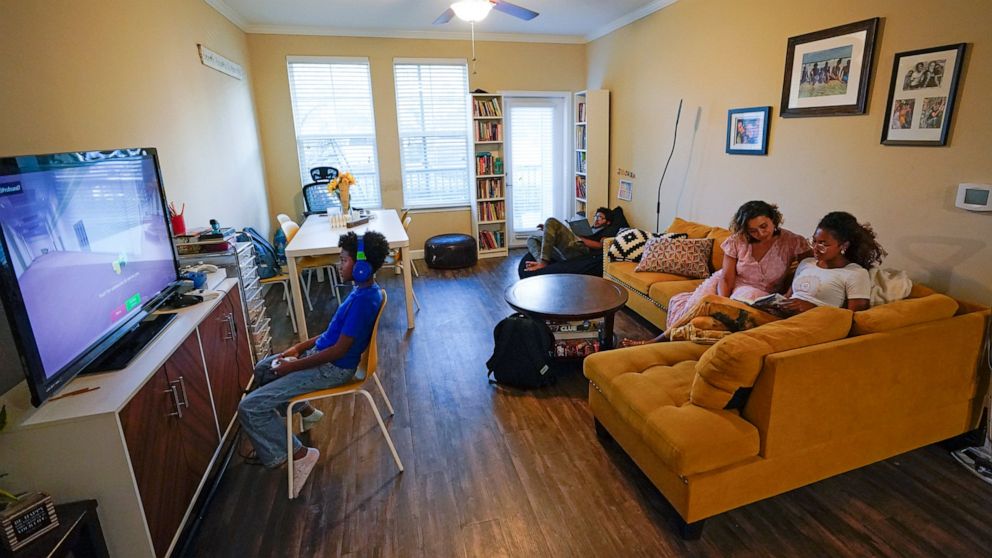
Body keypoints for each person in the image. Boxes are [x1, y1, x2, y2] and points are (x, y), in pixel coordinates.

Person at [238, 230, 389, 497]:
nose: (337, 264)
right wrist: (298, 348)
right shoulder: (361, 292)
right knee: (264, 368)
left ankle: (299, 454)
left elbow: (337, 350)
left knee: (250, 407)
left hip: (333, 369)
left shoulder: (363, 301)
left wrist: (292, 366)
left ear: (362, 268)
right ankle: (308, 412)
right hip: (323, 360)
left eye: (343, 260)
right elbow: (332, 334)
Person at [630, 211, 885, 344]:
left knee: (709, 303)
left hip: (808, 325)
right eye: (814, 241)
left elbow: (854, 321)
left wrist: (810, 308)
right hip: (776, 316)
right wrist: (778, 302)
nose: (816, 248)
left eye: (824, 244)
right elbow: (787, 296)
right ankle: (675, 354)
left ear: (844, 245)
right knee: (699, 324)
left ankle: (654, 343)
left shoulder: (855, 274)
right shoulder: (806, 262)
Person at [622, 201, 810, 346]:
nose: (760, 233)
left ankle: (662, 342)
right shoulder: (738, 240)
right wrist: (722, 302)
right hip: (726, 283)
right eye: (753, 230)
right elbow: (727, 277)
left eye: (764, 226)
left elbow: (808, 267)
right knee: (692, 307)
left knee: (708, 318)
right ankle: (665, 343)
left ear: (774, 220)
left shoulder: (792, 241)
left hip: (759, 293)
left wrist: (789, 293)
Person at [524, 207, 622, 272]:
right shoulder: (590, 228)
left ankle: (543, 263)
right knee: (532, 239)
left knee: (551, 221)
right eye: (596, 216)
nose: (596, 219)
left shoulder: (607, 231)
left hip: (580, 250)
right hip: (570, 246)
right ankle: (540, 262)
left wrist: (580, 238)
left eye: (600, 217)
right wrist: (548, 231)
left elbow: (601, 246)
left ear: (608, 222)